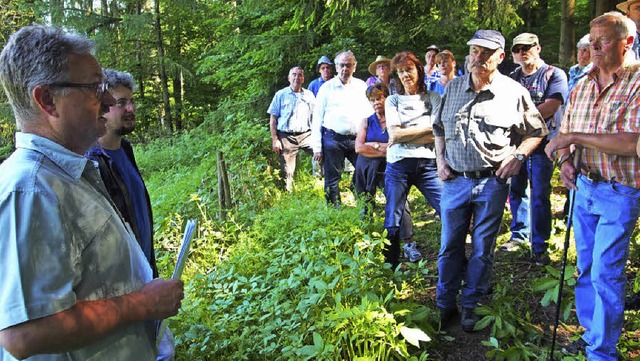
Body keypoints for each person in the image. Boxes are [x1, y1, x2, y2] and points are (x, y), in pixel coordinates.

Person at [0, 25, 183, 360]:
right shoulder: (30, 189)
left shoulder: (67, 174)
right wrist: (143, 304)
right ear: (47, 100)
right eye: (95, 88)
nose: (109, 100)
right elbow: (23, 333)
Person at [433, 30, 547, 332]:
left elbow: (537, 131)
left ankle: (471, 304)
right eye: (474, 51)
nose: (478, 58)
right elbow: (438, 129)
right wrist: (440, 160)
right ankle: (445, 305)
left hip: (492, 183)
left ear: (499, 56)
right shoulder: (453, 88)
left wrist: (518, 157)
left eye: (486, 52)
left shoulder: (514, 92)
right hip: (455, 181)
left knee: (483, 249)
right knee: (449, 246)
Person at [545, 12, 640, 360]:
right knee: (585, 267)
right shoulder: (582, 83)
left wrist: (571, 137)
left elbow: (632, 142)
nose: (594, 46)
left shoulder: (637, 82)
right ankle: (591, 334)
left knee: (606, 272)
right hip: (584, 187)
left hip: (620, 191)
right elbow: (567, 132)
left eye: (603, 40)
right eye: (591, 38)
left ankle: (602, 352)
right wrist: (566, 160)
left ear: (626, 42)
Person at [84, 69, 175, 360]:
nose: (131, 109)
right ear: (102, 105)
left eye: (132, 102)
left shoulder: (125, 149)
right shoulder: (89, 164)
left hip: (146, 274)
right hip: (123, 292)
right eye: (121, 102)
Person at [499, 32, 568, 266]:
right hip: (515, 143)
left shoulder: (553, 74)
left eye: (527, 47)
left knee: (540, 193)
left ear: (538, 48)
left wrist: (517, 119)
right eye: (517, 49)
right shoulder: (511, 78)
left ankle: (540, 245)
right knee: (516, 190)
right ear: (512, 54)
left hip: (543, 143)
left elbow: (551, 106)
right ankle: (519, 235)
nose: (522, 52)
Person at [383, 51, 443, 268]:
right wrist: (429, 130)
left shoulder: (433, 98)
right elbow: (394, 135)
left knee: (448, 210)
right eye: (400, 72)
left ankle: (455, 262)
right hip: (398, 165)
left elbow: (439, 134)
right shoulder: (393, 100)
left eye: (408, 69)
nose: (405, 75)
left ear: (418, 69)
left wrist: (406, 132)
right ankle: (390, 267)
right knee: (393, 218)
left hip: (428, 165)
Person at [354, 83, 416, 261]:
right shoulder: (366, 121)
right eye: (372, 100)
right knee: (365, 202)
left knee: (399, 202)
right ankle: (366, 241)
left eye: (379, 98)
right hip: (366, 168)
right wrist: (383, 147)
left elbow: (398, 145)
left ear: (387, 98)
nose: (376, 103)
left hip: (391, 167)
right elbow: (358, 147)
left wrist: (372, 145)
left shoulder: (396, 120)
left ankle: (408, 243)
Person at [311, 51, 372, 205]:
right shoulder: (326, 88)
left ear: (354, 67)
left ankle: (364, 204)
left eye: (349, 65)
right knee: (332, 177)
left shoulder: (361, 86)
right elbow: (317, 117)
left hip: (356, 139)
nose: (345, 69)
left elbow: (369, 113)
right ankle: (333, 208)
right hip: (332, 139)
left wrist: (371, 138)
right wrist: (317, 147)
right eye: (342, 65)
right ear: (337, 67)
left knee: (363, 171)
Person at [266, 66, 315, 191]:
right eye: (294, 74)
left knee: (322, 154)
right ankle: (287, 194)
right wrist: (275, 139)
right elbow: (273, 119)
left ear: (303, 79)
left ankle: (323, 184)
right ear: (289, 78)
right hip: (287, 136)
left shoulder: (309, 95)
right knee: (287, 169)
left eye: (300, 75)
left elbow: (316, 116)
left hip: (307, 135)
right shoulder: (280, 95)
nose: (297, 77)